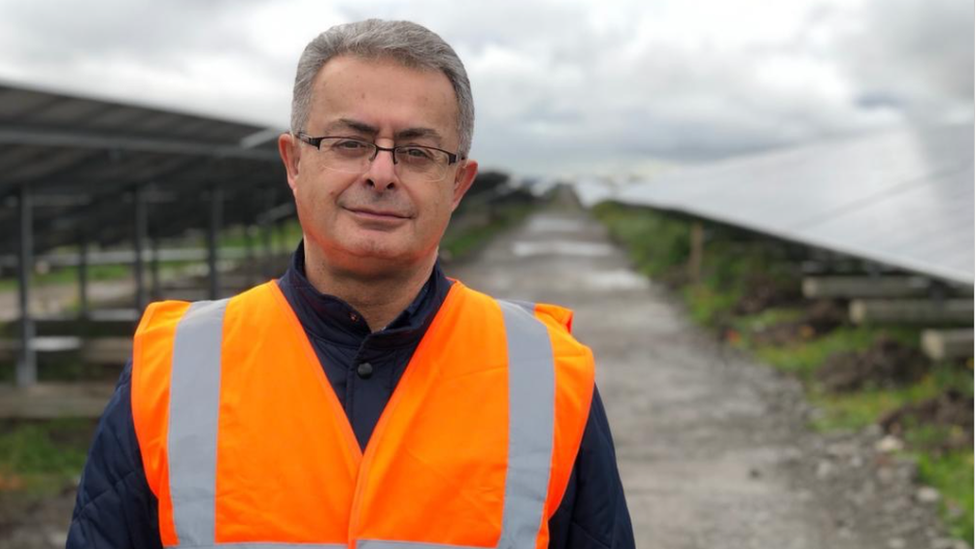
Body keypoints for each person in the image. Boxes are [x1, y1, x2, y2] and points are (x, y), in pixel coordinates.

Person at [67, 19, 634, 549]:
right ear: (293, 163)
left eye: (417, 151)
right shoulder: (171, 369)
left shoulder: (547, 374)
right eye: (349, 142)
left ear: (458, 184)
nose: (381, 173)